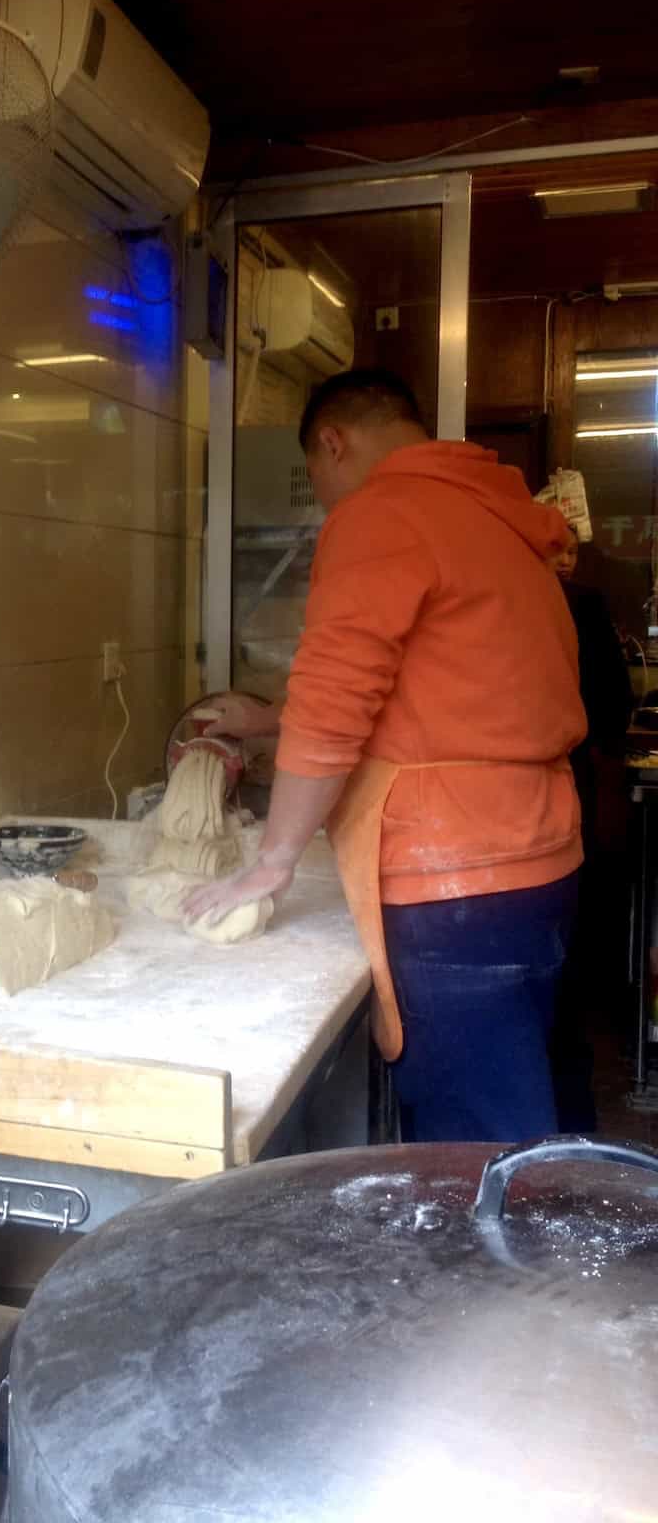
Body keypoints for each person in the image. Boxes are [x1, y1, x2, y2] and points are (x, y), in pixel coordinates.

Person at [187, 367, 587, 1143]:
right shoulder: (495, 520)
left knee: (473, 1143)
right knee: (527, 1104)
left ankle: (496, 1265)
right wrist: (271, 720)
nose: (325, 493)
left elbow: (337, 700)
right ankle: (549, 1250)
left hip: (455, 881)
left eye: (315, 472)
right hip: (538, 857)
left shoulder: (383, 515)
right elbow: (448, 692)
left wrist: (273, 858)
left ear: (332, 443)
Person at [547, 536, 634, 1130]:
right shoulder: (580, 606)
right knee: (564, 980)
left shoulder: (495, 601)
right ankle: (573, 1130)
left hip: (512, 822)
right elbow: (613, 709)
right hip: (567, 801)